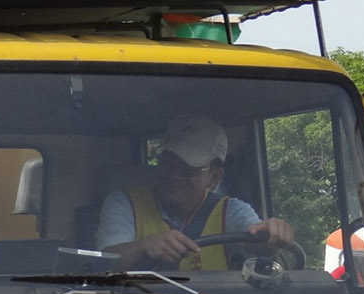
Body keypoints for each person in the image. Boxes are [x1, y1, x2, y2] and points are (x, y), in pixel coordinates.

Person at [96, 113, 297, 270]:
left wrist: (270, 236)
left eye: (188, 168)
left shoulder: (230, 211)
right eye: (168, 163)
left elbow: (255, 238)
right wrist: (144, 247)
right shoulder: (125, 203)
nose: (174, 175)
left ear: (214, 177)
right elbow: (104, 265)